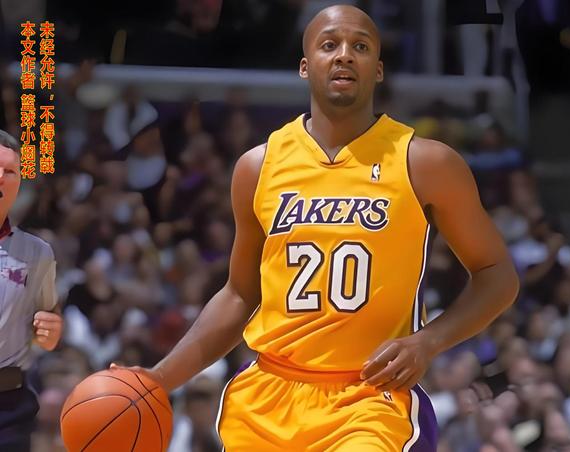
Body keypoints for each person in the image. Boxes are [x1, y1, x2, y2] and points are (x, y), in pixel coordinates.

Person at [119, 5, 519, 450]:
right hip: (269, 397)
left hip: (370, 399)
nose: (344, 54)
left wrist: (429, 341)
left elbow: (497, 275)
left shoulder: (426, 162)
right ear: (305, 67)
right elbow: (239, 295)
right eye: (329, 45)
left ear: (378, 70)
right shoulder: (257, 166)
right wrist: (158, 378)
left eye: (360, 46)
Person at [0, 130, 63, 451]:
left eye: (10, 171)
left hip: (8, 406)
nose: (1, 177)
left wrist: (50, 331)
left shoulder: (38, 252)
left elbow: (47, 321)